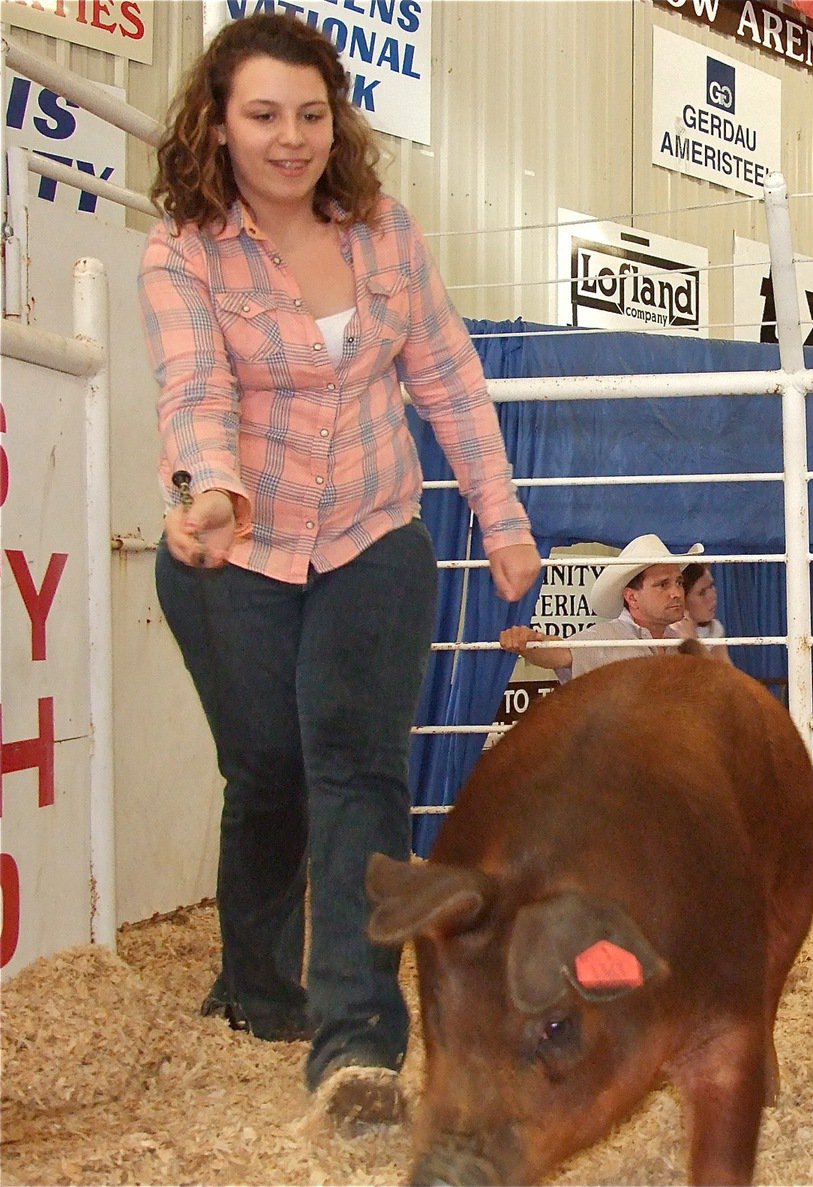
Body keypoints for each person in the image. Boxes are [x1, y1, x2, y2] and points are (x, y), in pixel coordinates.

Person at [137, 12, 540, 1117]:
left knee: (358, 767)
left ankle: (358, 1041)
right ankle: (258, 988)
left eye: (311, 114)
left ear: (336, 120)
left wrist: (500, 517)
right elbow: (192, 391)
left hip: (373, 535)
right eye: (264, 114)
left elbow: (449, 377)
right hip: (236, 550)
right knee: (267, 770)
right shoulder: (182, 250)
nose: (291, 137)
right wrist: (209, 492)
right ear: (218, 125)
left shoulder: (383, 230)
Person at [499, 533, 702, 681]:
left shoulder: (683, 644)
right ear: (632, 597)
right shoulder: (606, 638)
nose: (676, 592)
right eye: (663, 584)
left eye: (679, 582)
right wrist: (528, 643)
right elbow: (560, 654)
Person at [681, 562, 733, 665]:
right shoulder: (669, 633)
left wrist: (694, 642)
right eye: (702, 593)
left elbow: (725, 675)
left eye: (712, 586)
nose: (713, 596)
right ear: (683, 600)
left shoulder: (715, 628)